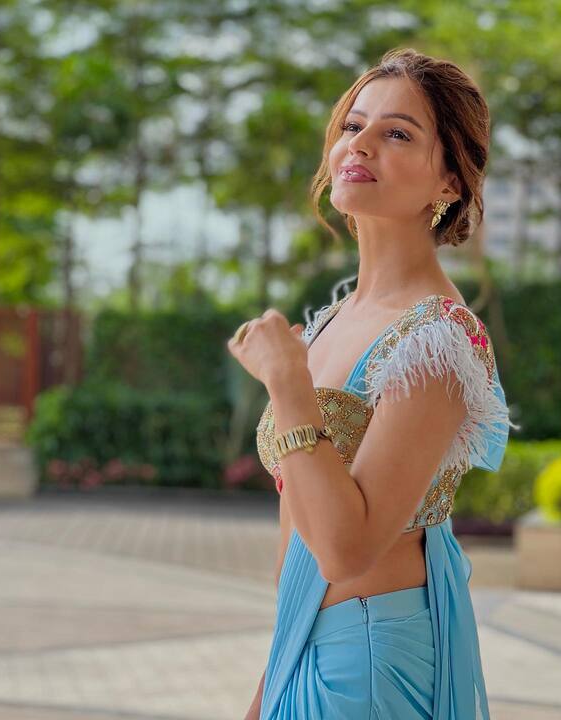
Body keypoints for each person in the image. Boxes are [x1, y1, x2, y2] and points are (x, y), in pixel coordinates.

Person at [230, 46, 518, 720]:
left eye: (398, 134)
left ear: (449, 181)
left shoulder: (438, 339)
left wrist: (287, 383)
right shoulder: (334, 320)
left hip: (369, 666)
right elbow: (300, 530)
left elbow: (346, 550)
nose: (359, 145)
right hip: (307, 646)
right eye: (353, 126)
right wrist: (272, 680)